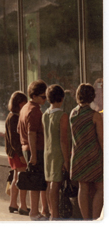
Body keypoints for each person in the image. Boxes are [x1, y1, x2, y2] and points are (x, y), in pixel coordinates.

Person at [69, 83, 103, 220]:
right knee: (101, 188)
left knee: (83, 188)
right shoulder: (95, 115)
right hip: (94, 156)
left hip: (78, 156)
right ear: (92, 96)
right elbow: (102, 139)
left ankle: (85, 219)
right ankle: (95, 218)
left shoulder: (73, 113)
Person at [17, 79, 50, 220]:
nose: (45, 99)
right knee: (36, 182)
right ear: (34, 96)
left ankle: (39, 211)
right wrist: (34, 155)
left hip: (27, 148)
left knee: (35, 181)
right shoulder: (34, 110)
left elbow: (19, 130)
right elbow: (32, 133)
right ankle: (35, 212)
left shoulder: (24, 108)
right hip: (35, 149)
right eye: (43, 97)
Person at [43, 84, 71, 220]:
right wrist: (66, 160)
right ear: (62, 98)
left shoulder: (45, 115)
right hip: (58, 152)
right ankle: (55, 215)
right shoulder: (62, 115)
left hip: (47, 152)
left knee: (50, 183)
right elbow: (63, 140)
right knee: (56, 184)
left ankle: (51, 212)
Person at [5, 91, 30, 216]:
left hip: (12, 153)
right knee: (22, 178)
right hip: (17, 153)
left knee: (16, 178)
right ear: (20, 103)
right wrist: (21, 155)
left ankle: (13, 203)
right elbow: (15, 140)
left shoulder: (10, 116)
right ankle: (23, 205)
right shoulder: (14, 118)